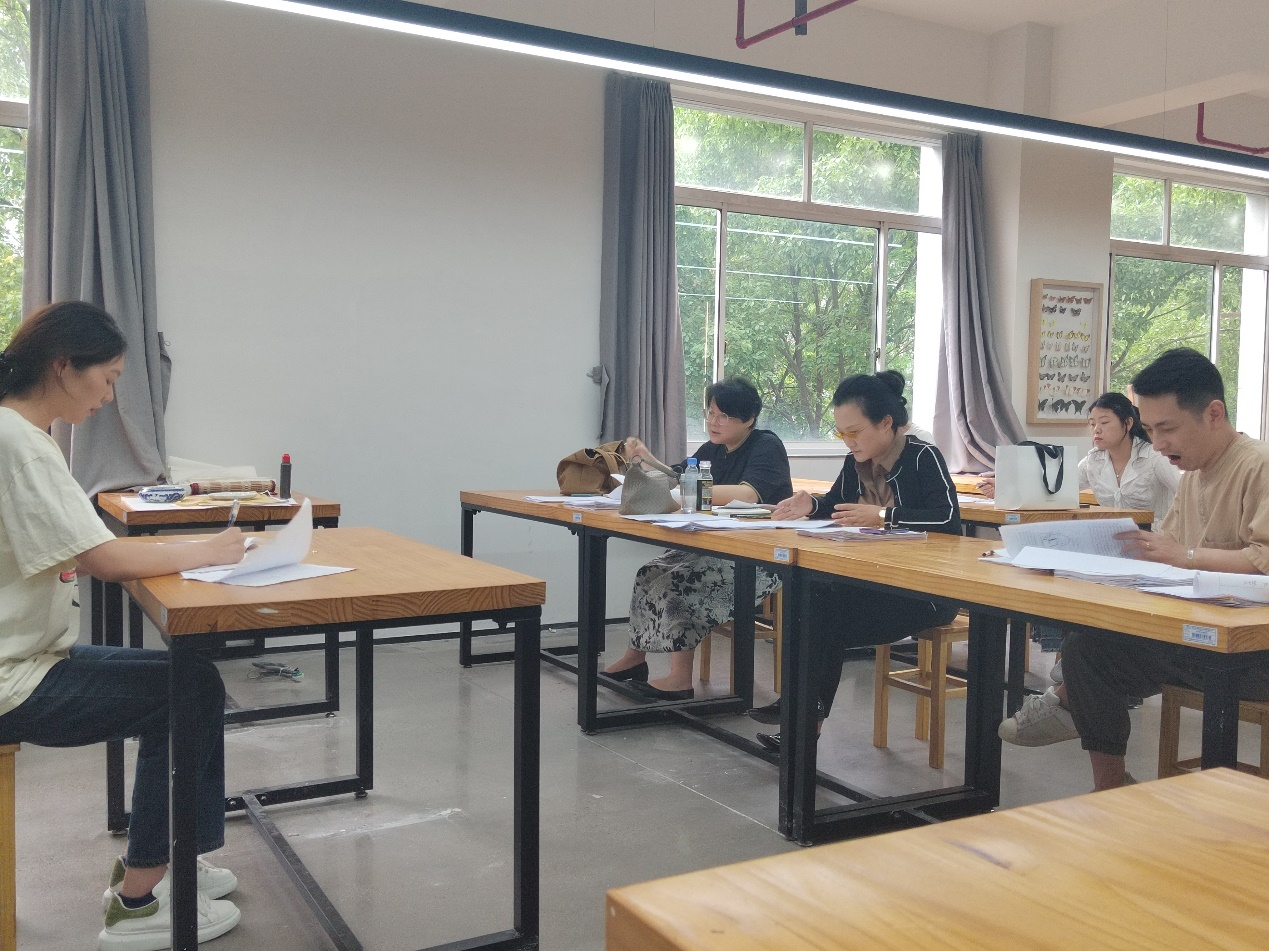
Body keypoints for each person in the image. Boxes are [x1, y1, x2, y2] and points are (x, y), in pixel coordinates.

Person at [0, 301, 249, 950]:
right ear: (64, 367)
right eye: (107, 378)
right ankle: (140, 899)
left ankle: (176, 858)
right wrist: (212, 548)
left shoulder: (20, 434)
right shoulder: (18, 442)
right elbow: (102, 558)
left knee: (193, 677)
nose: (110, 396)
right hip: (12, 681)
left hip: (28, 657)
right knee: (188, 690)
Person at [998, 348, 1269, 789]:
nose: (1158, 444)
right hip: (1198, 632)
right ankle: (1110, 787)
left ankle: (1068, 704)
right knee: (1087, 648)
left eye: (1168, 429)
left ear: (1214, 413)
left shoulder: (1259, 465)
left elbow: (1259, 559)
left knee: (1094, 657)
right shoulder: (1194, 475)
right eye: (1149, 430)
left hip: (1252, 650)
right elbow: (1165, 550)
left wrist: (1187, 557)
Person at [753, 370, 961, 751]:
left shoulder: (922, 457)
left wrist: (883, 516)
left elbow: (948, 519)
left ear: (886, 423)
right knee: (811, 601)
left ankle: (802, 716)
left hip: (923, 592)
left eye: (854, 432)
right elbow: (837, 504)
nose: (848, 442)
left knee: (821, 617)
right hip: (873, 583)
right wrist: (811, 504)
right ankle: (803, 718)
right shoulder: (856, 462)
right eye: (841, 434)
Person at [602, 377, 793, 699]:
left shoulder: (766, 445)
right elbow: (679, 476)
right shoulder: (714, 449)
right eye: (710, 413)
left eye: (723, 416)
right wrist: (645, 458)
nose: (713, 422)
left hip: (758, 557)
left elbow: (748, 494)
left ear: (748, 418)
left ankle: (680, 679)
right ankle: (635, 658)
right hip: (714, 546)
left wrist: (687, 490)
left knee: (678, 582)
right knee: (650, 573)